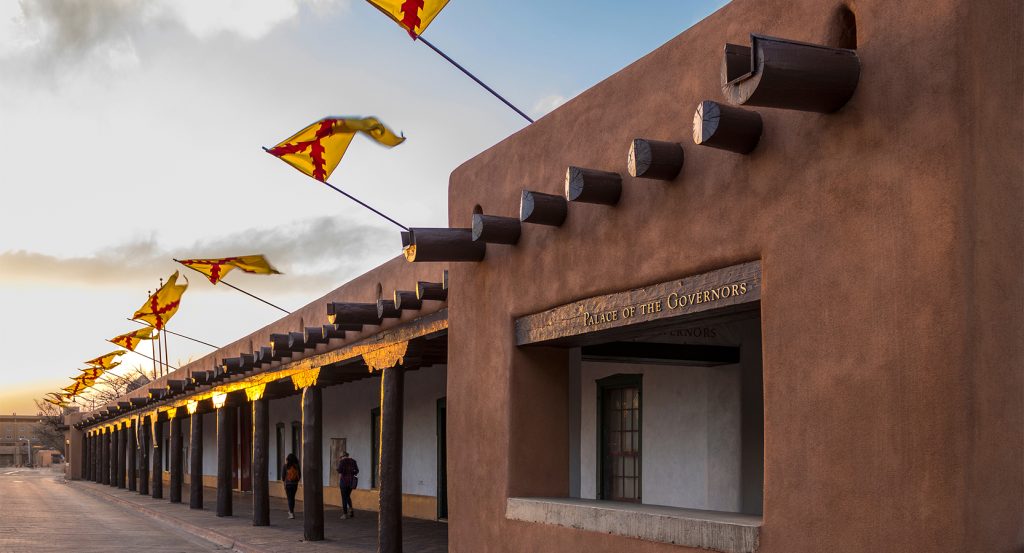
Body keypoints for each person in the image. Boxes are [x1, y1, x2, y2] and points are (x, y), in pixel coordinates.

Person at [336, 451, 359, 519]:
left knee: (344, 498)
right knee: (347, 496)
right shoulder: (353, 461)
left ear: (342, 456)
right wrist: (352, 472)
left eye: (341, 457)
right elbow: (357, 471)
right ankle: (351, 510)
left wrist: (338, 469)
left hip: (344, 482)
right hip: (351, 482)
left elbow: (339, 470)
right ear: (347, 455)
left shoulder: (342, 462)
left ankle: (345, 514)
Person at [282, 453, 301, 519]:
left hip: (288, 485)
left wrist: (284, 481)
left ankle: (291, 513)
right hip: (295, 484)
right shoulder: (297, 466)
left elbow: (283, 476)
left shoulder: (285, 466)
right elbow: (299, 476)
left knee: (289, 498)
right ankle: (291, 511)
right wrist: (296, 481)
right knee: (292, 498)